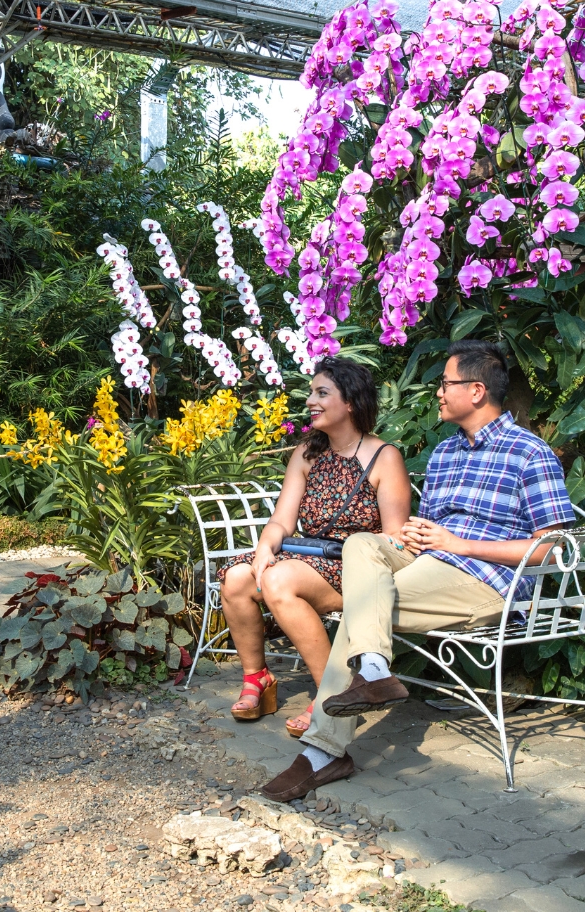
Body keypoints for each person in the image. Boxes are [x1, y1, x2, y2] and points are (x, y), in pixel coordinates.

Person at [261, 340, 578, 802]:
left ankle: (324, 752)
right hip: (431, 562)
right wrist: (412, 536)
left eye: (446, 384)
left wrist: (459, 543)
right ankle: (371, 668)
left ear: (475, 391)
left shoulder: (528, 453)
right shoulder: (447, 452)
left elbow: (552, 549)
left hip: (485, 580)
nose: (438, 393)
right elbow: (428, 528)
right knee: (364, 542)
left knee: (362, 610)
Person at [219, 357, 411, 733]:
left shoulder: (384, 457)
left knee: (277, 581)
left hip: (356, 566)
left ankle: (333, 694)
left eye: (322, 393)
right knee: (237, 577)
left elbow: (394, 540)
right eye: (311, 392)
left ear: (351, 402)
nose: (311, 401)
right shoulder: (308, 454)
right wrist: (264, 548)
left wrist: (279, 563)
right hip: (307, 557)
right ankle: (257, 677)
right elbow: (281, 521)